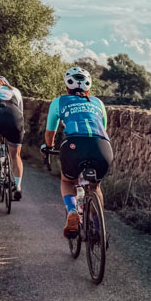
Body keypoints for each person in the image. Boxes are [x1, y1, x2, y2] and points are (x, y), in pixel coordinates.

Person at [42, 66, 112, 238]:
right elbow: (103, 127)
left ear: (67, 86)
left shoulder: (59, 101)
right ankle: (98, 228)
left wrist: (48, 146)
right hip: (101, 146)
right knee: (95, 186)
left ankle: (72, 211)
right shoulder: (98, 103)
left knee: (67, 181)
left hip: (74, 144)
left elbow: (50, 131)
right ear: (88, 87)